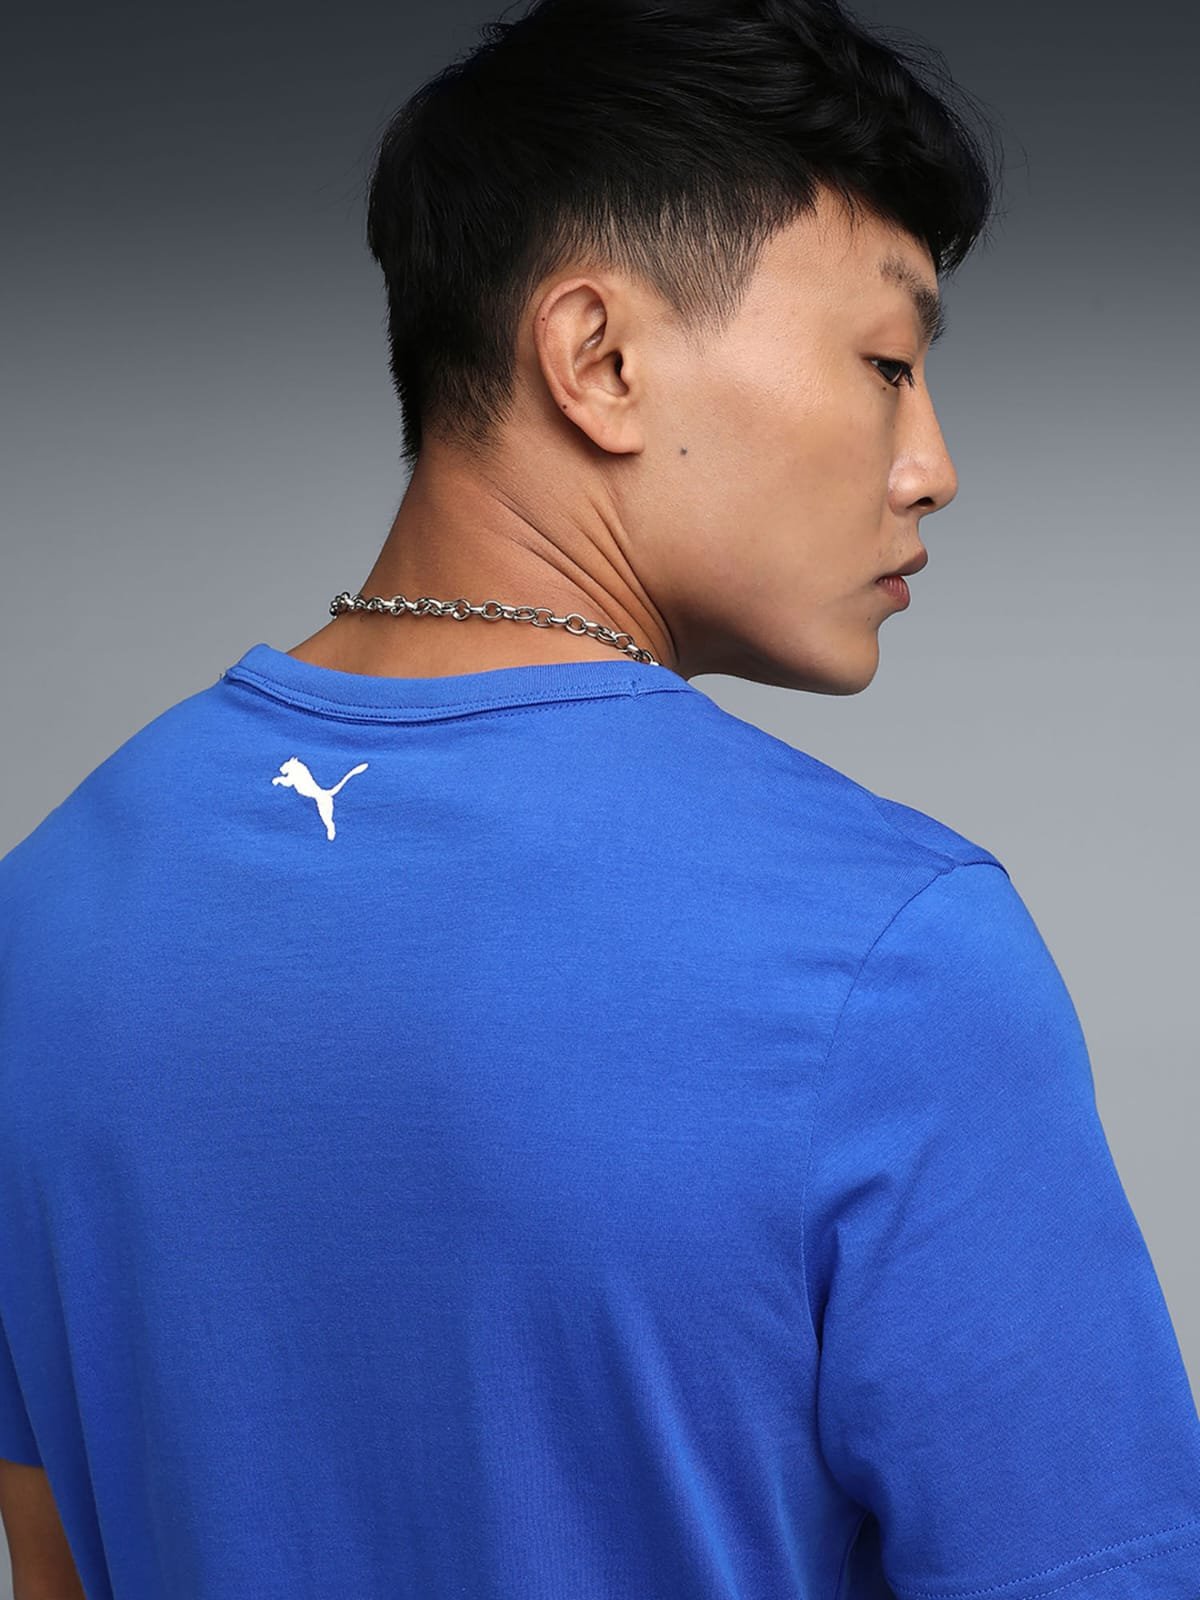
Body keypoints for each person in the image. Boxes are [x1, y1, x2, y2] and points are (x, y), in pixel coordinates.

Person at [2, 0, 1199, 1595]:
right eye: (887, 364)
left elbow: (56, 1562)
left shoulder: (47, 908)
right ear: (601, 359)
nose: (932, 463)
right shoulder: (890, 955)